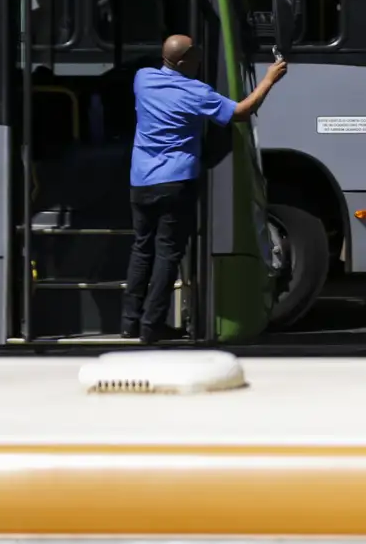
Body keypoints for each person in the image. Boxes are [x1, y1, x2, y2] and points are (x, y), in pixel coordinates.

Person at [122, 34, 286, 344]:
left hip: (140, 181)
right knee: (167, 254)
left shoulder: (143, 79)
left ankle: (129, 322)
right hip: (175, 182)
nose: (200, 60)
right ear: (183, 62)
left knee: (141, 249)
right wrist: (269, 79)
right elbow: (241, 111)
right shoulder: (196, 93)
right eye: (196, 56)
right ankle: (150, 326)